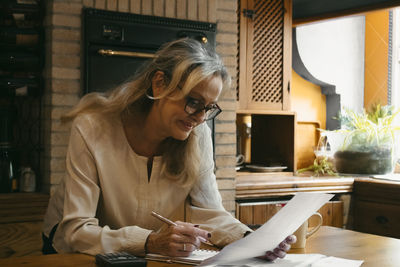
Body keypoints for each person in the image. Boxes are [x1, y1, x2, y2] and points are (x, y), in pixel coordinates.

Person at [42, 38, 295, 261]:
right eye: (193, 102)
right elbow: (77, 231)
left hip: (151, 255)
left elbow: (210, 213)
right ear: (159, 83)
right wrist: (150, 241)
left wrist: (253, 239)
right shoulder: (92, 128)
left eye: (208, 108)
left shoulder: (197, 134)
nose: (198, 117)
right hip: (75, 254)